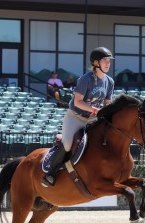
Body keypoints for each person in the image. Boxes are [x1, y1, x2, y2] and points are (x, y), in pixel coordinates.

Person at [42, 47, 115, 187]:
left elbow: (107, 103)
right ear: (96, 62)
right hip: (76, 117)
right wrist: (94, 109)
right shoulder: (85, 79)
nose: (108, 63)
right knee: (68, 144)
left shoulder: (109, 82)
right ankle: (51, 172)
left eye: (109, 61)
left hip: (93, 119)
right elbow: (77, 102)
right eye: (105, 60)